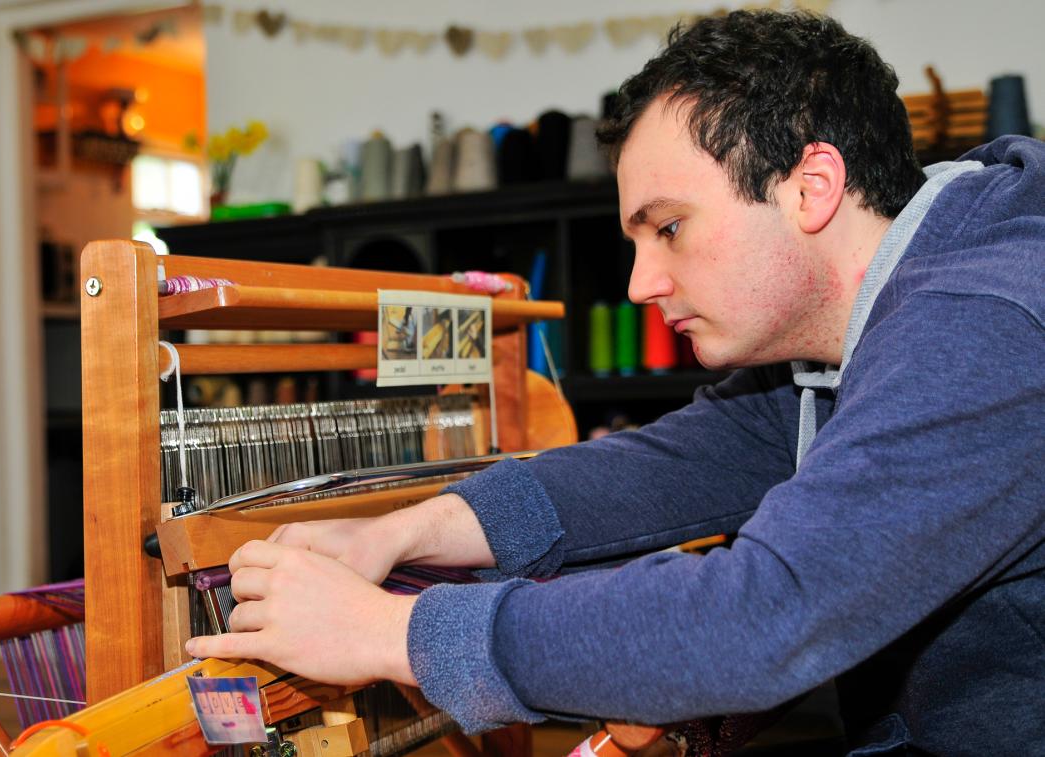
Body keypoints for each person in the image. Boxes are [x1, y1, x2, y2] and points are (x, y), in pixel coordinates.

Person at [186, 10, 1045, 754]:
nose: (640, 284)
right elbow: (694, 457)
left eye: (668, 227)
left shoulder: (982, 324)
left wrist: (389, 631)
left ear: (811, 187)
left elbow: (762, 618)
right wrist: (404, 532)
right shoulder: (880, 320)